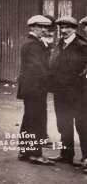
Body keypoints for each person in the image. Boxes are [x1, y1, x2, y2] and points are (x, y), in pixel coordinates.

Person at [16, 15, 55, 165]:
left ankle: (24, 151)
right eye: (40, 27)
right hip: (34, 88)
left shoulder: (36, 43)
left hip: (32, 88)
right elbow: (37, 68)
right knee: (36, 120)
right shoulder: (32, 44)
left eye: (45, 27)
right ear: (32, 27)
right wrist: (53, 82)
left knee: (29, 119)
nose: (44, 30)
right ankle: (35, 154)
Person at [49, 16, 87, 166]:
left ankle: (86, 158)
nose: (64, 31)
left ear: (74, 29)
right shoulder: (60, 44)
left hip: (78, 92)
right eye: (61, 28)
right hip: (61, 91)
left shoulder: (82, 46)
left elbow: (84, 71)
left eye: (67, 28)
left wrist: (76, 84)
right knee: (63, 123)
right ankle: (66, 154)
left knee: (82, 124)